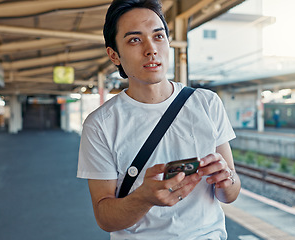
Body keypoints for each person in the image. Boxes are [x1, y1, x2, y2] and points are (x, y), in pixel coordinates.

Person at [77, 0, 241, 239]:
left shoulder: (206, 103)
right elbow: (105, 217)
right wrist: (143, 197)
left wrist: (226, 179)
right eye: (135, 39)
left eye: (158, 36)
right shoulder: (100, 124)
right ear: (114, 55)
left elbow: (231, 193)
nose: (151, 49)